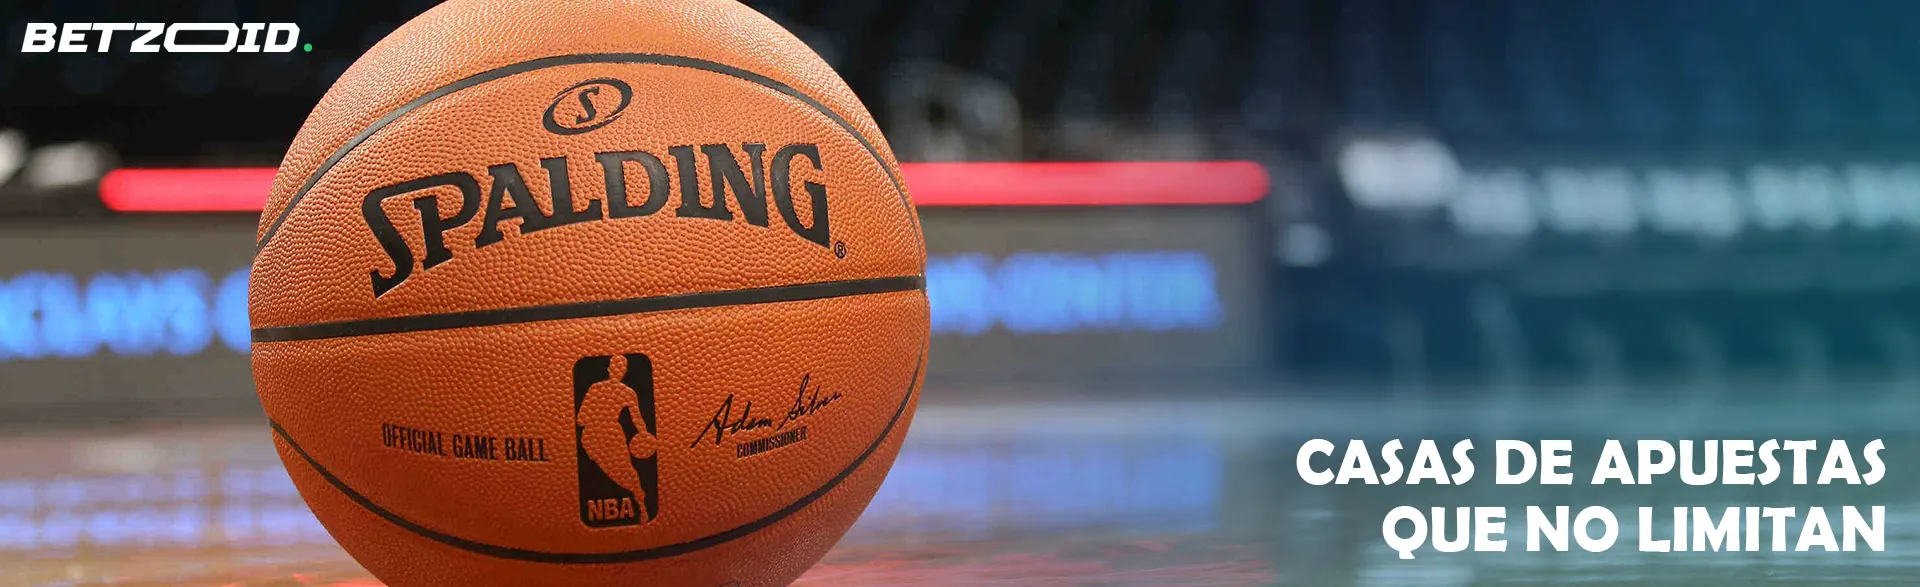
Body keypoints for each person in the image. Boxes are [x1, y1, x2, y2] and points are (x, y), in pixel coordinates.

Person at [577, 355, 654, 522]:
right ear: (609, 368)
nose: (618, 371)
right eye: (616, 367)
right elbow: (581, 418)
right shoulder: (597, 388)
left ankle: (640, 504)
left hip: (609, 433)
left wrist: (644, 434)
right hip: (595, 434)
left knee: (624, 469)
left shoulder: (626, 392)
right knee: (613, 470)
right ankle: (637, 498)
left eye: (621, 368)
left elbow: (637, 418)